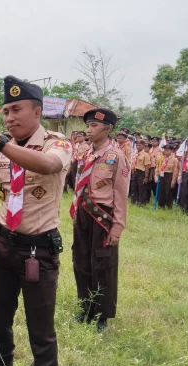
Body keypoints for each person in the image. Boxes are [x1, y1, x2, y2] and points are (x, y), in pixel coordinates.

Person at [0, 76, 71, 366]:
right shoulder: (1, 147)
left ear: (37, 112)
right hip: (1, 244)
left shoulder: (57, 143)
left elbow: (49, 165)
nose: (9, 117)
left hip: (38, 249)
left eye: (16, 109)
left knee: (41, 327)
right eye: (5, 111)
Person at [70, 108, 129, 332]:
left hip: (103, 216)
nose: (89, 130)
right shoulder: (86, 153)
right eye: (88, 126)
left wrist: (118, 226)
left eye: (94, 126)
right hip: (84, 213)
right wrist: (76, 211)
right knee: (82, 261)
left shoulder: (116, 156)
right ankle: (86, 307)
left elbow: (121, 194)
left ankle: (102, 315)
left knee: (103, 264)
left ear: (108, 129)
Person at [155, 144, 180, 209]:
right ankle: (161, 205)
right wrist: (156, 176)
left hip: (169, 176)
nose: (165, 151)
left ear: (171, 151)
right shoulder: (161, 158)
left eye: (167, 150)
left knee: (168, 191)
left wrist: (173, 181)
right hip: (162, 175)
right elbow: (157, 168)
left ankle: (169, 205)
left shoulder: (174, 159)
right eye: (164, 150)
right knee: (161, 191)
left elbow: (175, 171)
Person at [130, 140, 151, 206]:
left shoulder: (145, 155)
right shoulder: (135, 154)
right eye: (137, 145)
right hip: (135, 171)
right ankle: (134, 201)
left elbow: (147, 166)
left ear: (143, 146)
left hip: (142, 172)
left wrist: (146, 177)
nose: (138, 146)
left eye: (140, 145)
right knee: (134, 187)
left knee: (141, 188)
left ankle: (142, 203)